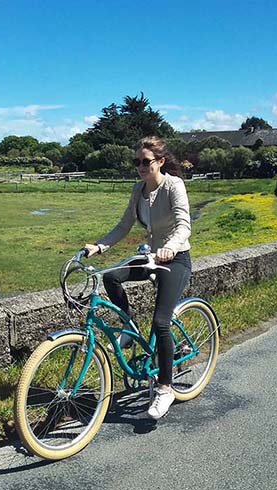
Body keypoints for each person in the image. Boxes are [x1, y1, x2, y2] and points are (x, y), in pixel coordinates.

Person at [83, 136, 192, 419]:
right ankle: (128, 331)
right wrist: (99, 246)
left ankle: (165, 388)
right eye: (137, 162)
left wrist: (170, 248)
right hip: (149, 257)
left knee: (161, 322)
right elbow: (123, 225)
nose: (141, 167)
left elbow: (183, 224)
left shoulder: (173, 186)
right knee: (112, 277)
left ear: (160, 162)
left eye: (146, 162)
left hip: (175, 259)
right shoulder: (138, 190)